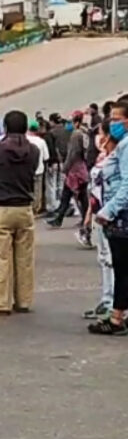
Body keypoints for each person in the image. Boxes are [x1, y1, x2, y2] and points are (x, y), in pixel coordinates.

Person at [0, 111, 39, 316]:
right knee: (24, 259)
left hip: (1, 207)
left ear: (5, 127)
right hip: (25, 207)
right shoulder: (33, 150)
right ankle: (23, 300)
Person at [90, 102, 128, 334]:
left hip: (122, 217)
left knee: (122, 269)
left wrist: (108, 211)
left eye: (116, 119)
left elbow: (126, 185)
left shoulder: (125, 147)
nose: (112, 123)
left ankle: (116, 318)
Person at [83, 120, 114, 320]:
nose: (98, 138)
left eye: (101, 133)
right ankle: (107, 298)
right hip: (99, 211)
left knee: (112, 259)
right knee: (104, 258)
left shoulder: (117, 158)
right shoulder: (104, 158)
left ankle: (113, 302)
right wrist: (89, 213)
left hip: (110, 213)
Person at [47, 110, 90, 230]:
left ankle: (60, 219)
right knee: (80, 196)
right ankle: (66, 218)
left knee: (70, 194)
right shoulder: (84, 132)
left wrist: (65, 168)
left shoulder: (76, 135)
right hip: (80, 168)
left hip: (75, 169)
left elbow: (73, 154)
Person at [27, 121, 51, 215]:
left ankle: (28, 207)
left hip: (26, 170)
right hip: (39, 169)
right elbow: (46, 157)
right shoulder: (41, 141)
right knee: (37, 191)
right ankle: (35, 209)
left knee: (28, 189)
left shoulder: (25, 140)